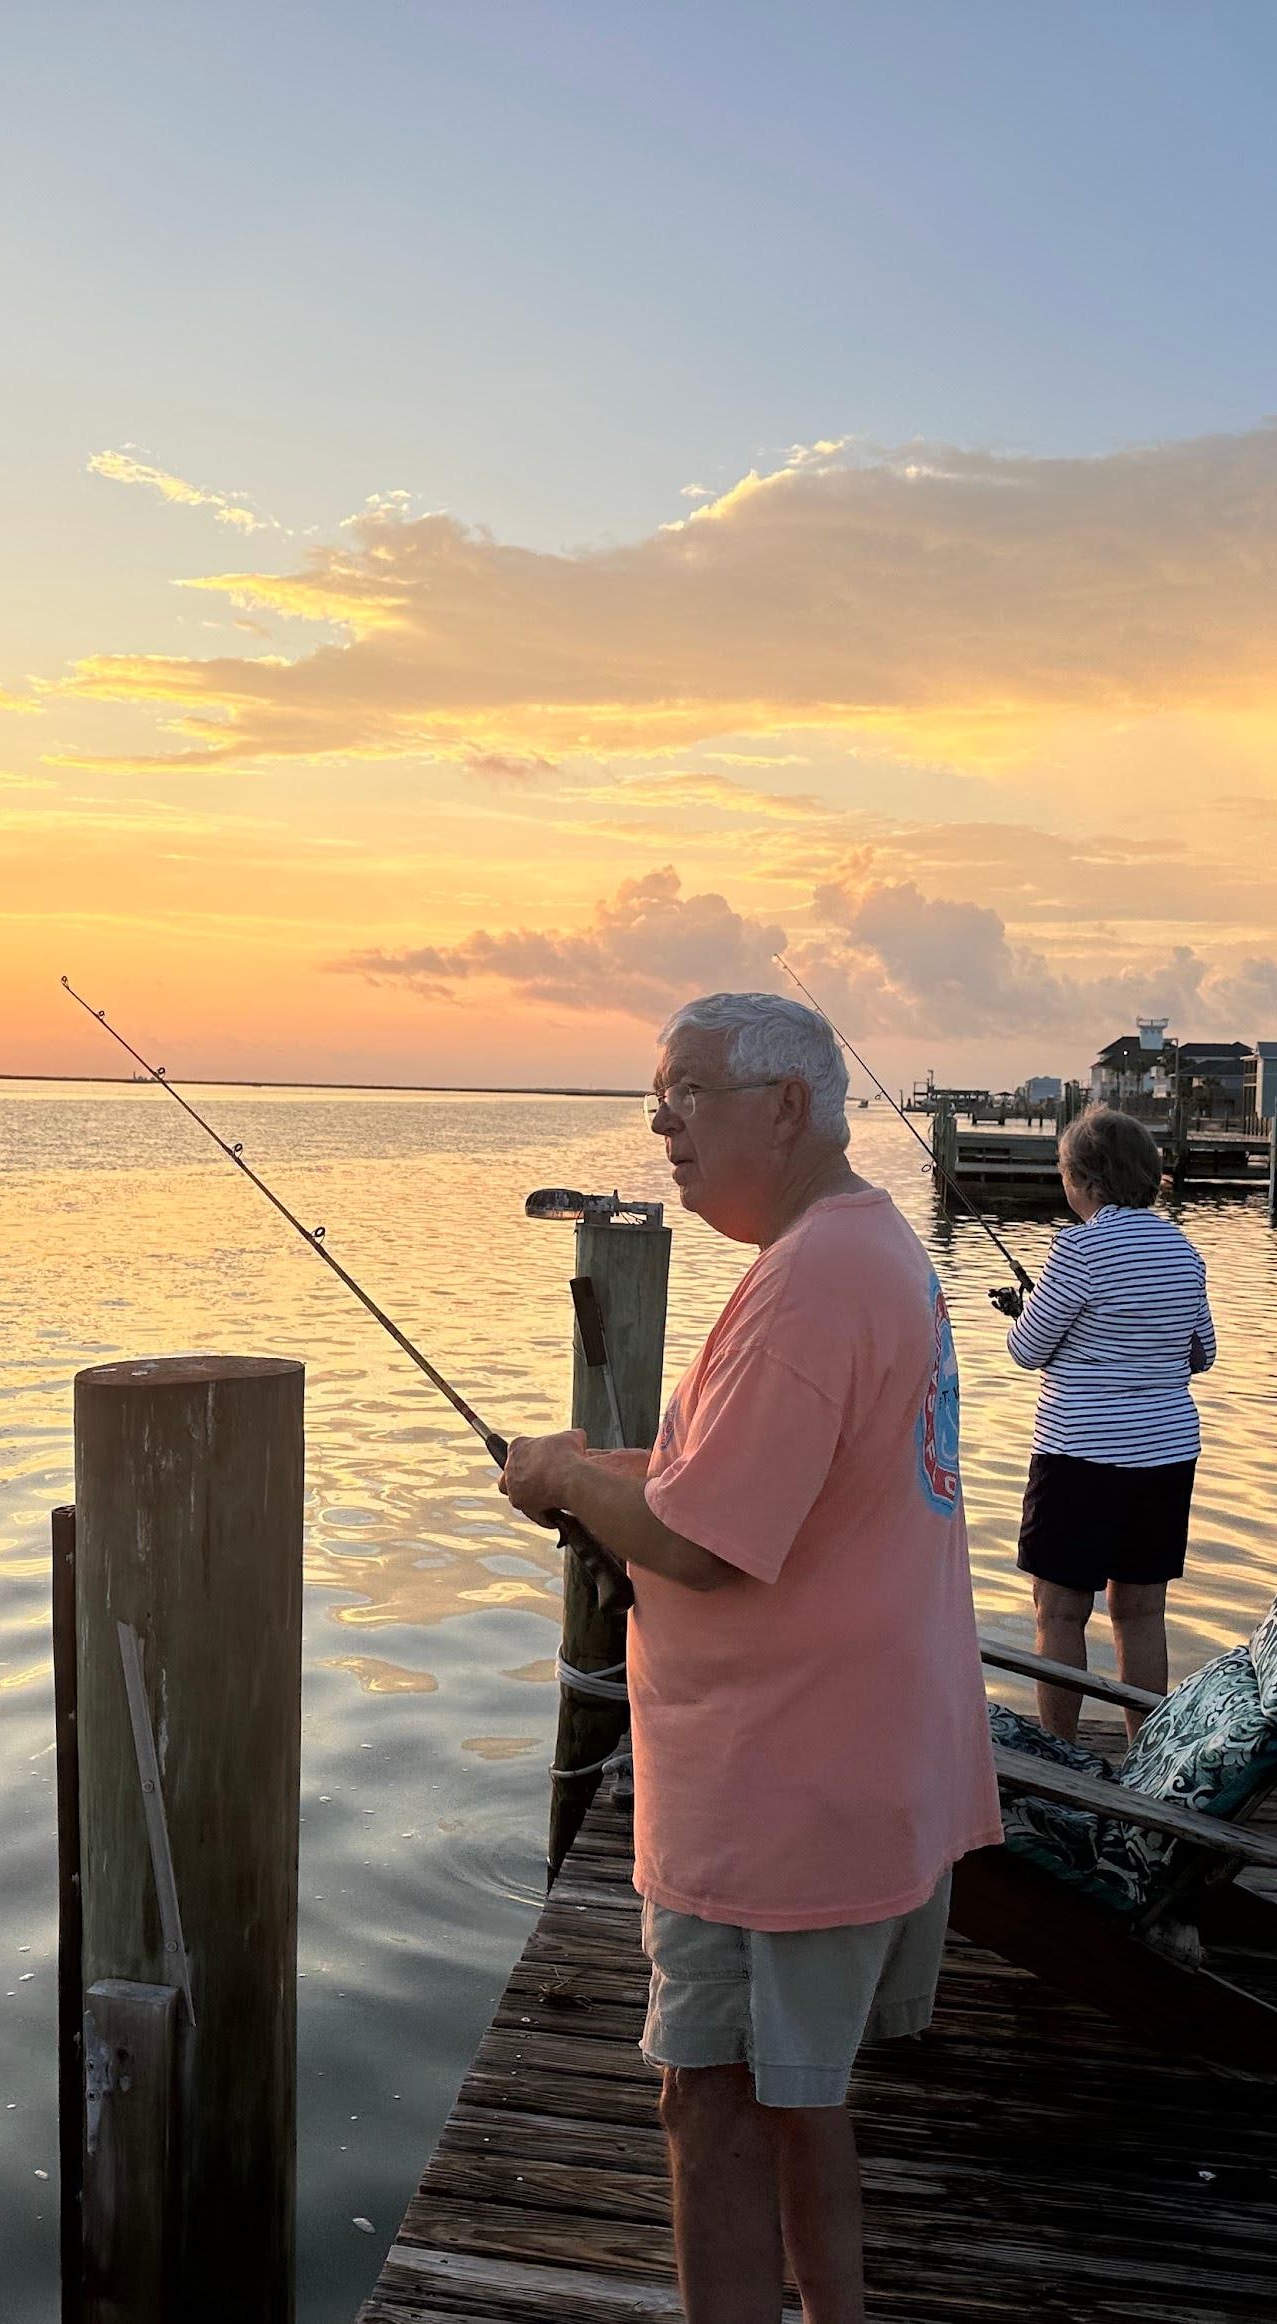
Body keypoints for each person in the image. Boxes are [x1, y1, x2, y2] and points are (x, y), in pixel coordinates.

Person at [499, 991, 1000, 2324]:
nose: (659, 1123)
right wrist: (613, 1475)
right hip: (846, 1763)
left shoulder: (808, 1285)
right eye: (654, 1096)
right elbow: (750, 1484)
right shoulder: (864, 1250)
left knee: (706, 2101)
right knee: (801, 2101)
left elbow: (704, 1544)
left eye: (686, 1094)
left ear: (784, 1108)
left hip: (779, 1791)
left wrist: (559, 1473)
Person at [995, 1102, 1216, 1742]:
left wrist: (1030, 1312)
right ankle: (1147, 1753)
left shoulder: (1077, 1247)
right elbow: (1201, 1353)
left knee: (1060, 1612)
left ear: (1086, 1181)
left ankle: (1062, 1757)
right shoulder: (1183, 1250)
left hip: (1080, 1457)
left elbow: (1028, 1350)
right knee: (1142, 1610)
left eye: (1066, 1173)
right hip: (1166, 1458)